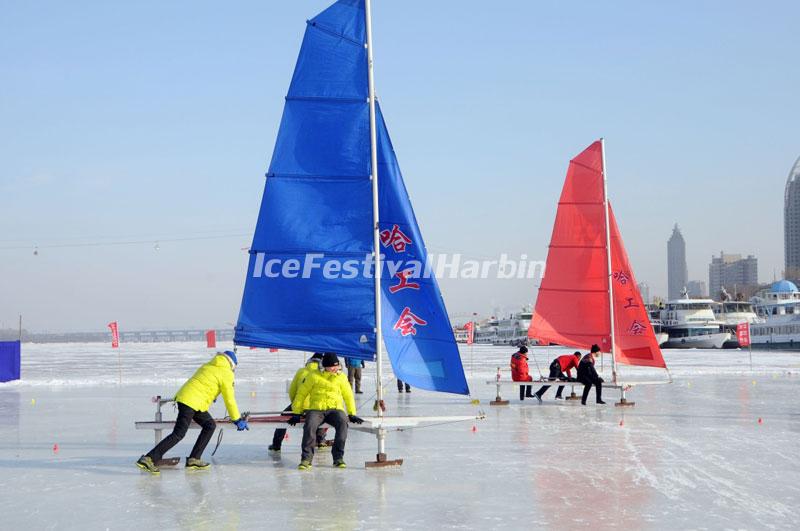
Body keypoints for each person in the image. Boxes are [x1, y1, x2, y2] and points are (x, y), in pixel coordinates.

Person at [136, 350, 248, 474]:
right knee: (179, 433)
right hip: (191, 402)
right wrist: (237, 419)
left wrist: (212, 395)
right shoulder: (226, 372)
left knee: (210, 425)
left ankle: (194, 459)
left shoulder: (209, 365)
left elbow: (202, 383)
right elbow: (229, 399)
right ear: (232, 364)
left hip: (189, 400)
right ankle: (149, 458)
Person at [289, 353, 363, 470]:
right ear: (325, 366)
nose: (336, 368)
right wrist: (296, 412)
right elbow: (301, 394)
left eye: (337, 365)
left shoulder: (341, 377)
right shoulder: (313, 376)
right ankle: (306, 459)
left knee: (343, 424)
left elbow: (348, 395)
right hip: (316, 409)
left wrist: (352, 413)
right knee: (309, 426)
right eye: (333, 366)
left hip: (335, 409)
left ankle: (338, 457)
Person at [268, 352, 327, 454]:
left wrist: (295, 404)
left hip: (300, 406)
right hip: (316, 407)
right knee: (325, 414)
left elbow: (292, 390)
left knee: (282, 417)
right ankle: (321, 440)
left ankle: (276, 445)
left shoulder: (301, 371)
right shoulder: (323, 373)